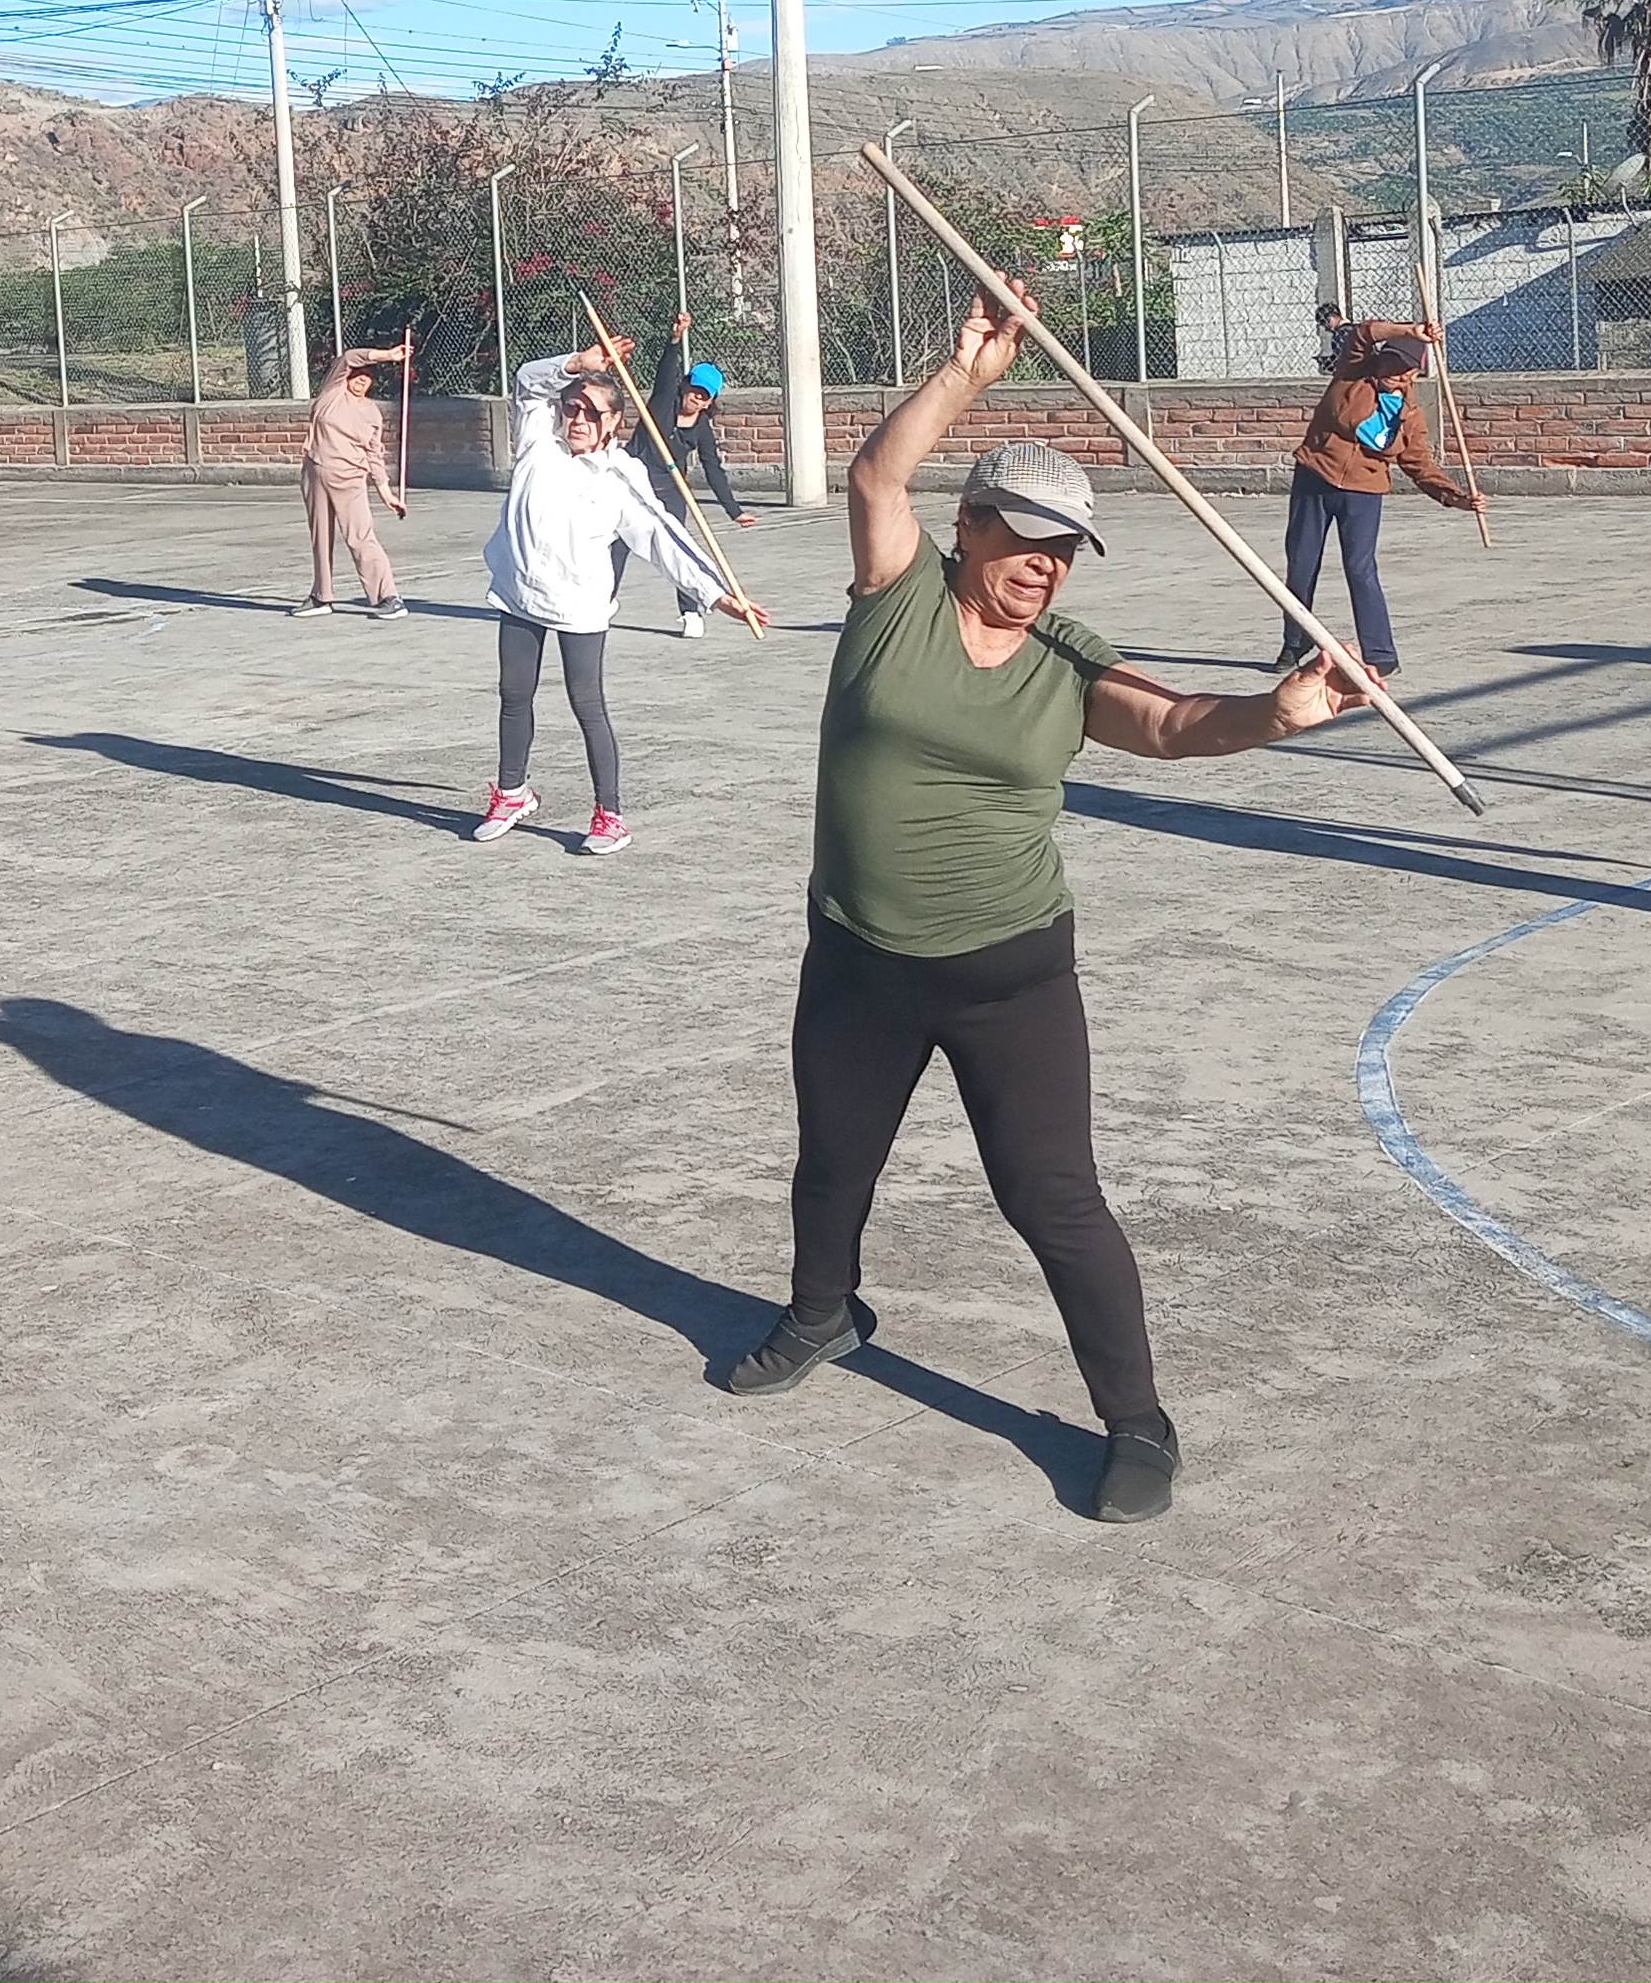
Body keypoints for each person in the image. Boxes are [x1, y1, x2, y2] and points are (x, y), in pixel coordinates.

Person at [725, 280, 1360, 1525]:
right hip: (855, 958)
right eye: (1022, 538)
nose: (1041, 566)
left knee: (1053, 1200)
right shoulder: (896, 598)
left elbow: (1173, 725)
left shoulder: (1070, 662)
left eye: (1062, 550)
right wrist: (966, 371)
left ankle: (1137, 1422)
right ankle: (820, 1314)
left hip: (1007, 973)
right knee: (833, 1162)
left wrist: (1273, 716)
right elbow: (872, 476)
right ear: (967, 528)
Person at [477, 339, 764, 849]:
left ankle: (609, 815)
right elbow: (526, 382)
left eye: (592, 412)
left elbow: (664, 538)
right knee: (514, 694)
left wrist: (718, 595)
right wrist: (575, 365)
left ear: (613, 421)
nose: (578, 419)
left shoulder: (621, 477)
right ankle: (512, 792)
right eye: (572, 407)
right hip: (520, 593)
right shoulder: (539, 443)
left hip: (580, 604)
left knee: (587, 704)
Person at [1273, 317, 1477, 677]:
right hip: (1315, 478)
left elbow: (1419, 464)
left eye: (1411, 371)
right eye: (1397, 365)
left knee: (1361, 568)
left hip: (1363, 493)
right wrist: (1410, 331)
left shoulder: (1410, 414)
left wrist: (1457, 497)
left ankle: (1381, 653)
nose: (1403, 376)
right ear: (1382, 359)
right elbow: (1363, 333)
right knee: (1301, 564)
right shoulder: (1353, 372)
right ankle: (1296, 641)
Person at [640, 311, 759, 638]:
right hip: (634, 479)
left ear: (710, 401)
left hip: (670, 487)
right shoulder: (663, 403)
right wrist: (675, 339)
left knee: (679, 546)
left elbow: (712, 467)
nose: (697, 397)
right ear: (685, 386)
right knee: (618, 543)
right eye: (694, 389)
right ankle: (603, 600)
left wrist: (734, 511)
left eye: (705, 395)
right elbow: (665, 373)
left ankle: (690, 611)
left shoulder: (702, 428)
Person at [297, 336, 413, 619]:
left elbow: (374, 455)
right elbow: (349, 358)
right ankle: (321, 597)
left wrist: (387, 494)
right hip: (314, 474)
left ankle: (388, 597)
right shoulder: (332, 392)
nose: (362, 378)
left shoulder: (372, 412)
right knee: (320, 538)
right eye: (358, 374)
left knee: (360, 537)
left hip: (350, 479)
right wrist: (388, 356)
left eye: (368, 376)